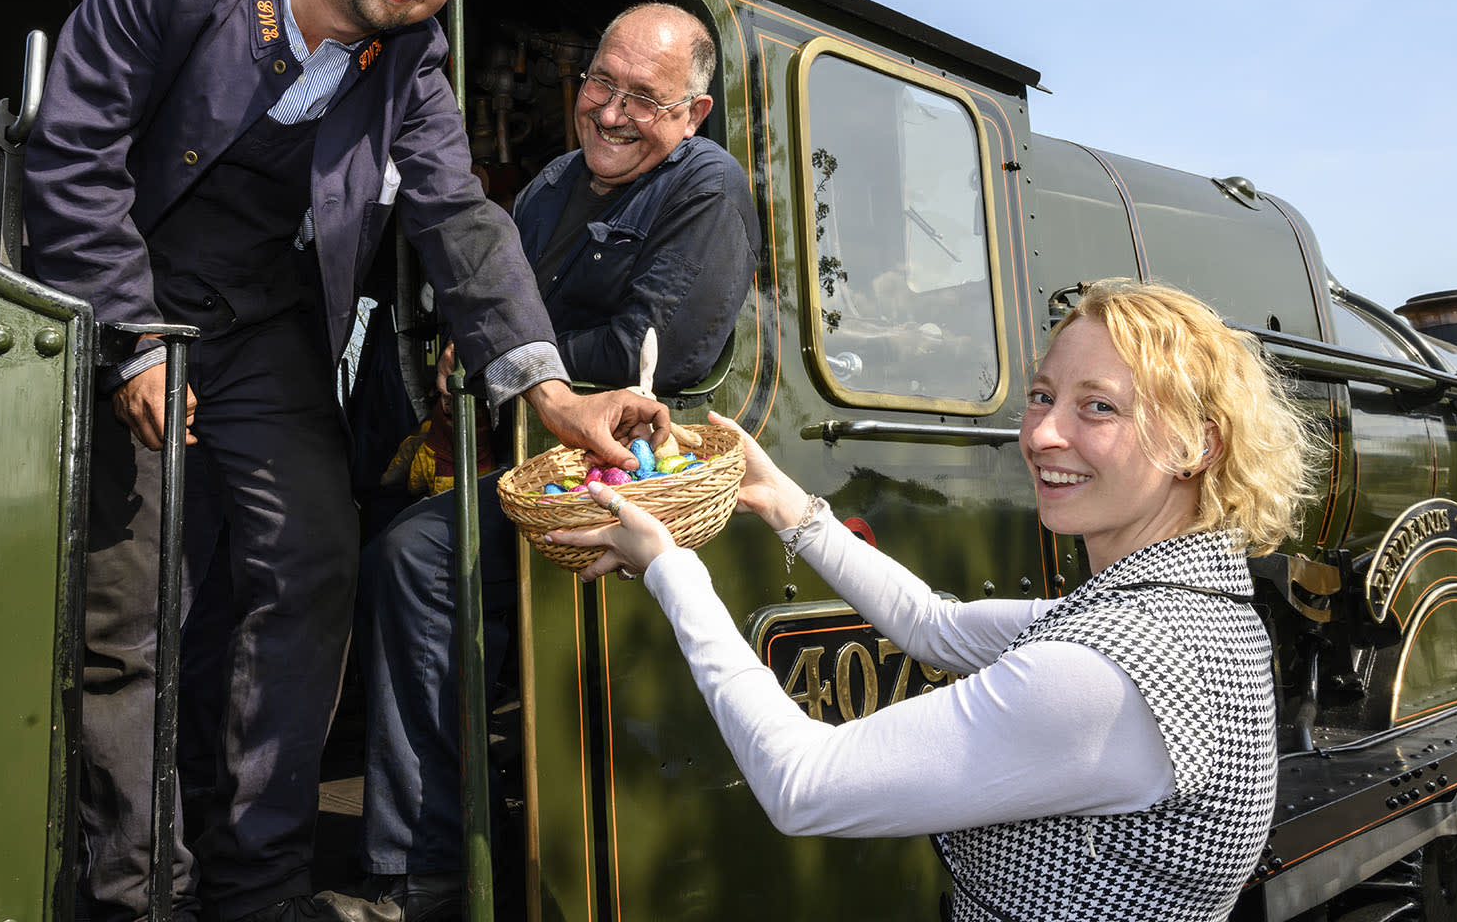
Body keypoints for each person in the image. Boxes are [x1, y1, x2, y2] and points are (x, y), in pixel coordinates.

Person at [22, 0, 668, 922]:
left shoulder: (414, 67)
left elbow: (458, 219)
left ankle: (259, 886)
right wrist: (132, 337)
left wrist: (552, 395)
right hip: (125, 301)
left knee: (314, 568)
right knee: (130, 617)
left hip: (266, 330)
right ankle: (139, 895)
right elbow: (75, 148)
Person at [550, 280, 1314, 922]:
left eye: (1098, 408)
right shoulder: (1184, 611)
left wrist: (671, 569)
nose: (1045, 433)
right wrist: (789, 506)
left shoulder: (1106, 678)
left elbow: (802, 786)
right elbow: (937, 627)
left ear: (1197, 445)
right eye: (1043, 395)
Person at [355, 2, 760, 922]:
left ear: (692, 115)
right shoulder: (546, 187)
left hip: (637, 485)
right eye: (601, 84)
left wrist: (517, 358)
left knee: (421, 559)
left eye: (643, 100)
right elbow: (502, 305)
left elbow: (666, 352)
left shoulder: (707, 185)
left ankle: (426, 872)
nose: (611, 113)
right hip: (538, 468)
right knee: (380, 524)